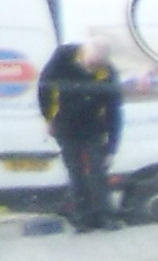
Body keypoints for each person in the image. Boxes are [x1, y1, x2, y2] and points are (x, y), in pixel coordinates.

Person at [37, 42, 122, 233]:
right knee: (75, 172)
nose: (91, 69)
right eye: (89, 64)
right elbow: (44, 87)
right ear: (84, 53)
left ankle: (106, 217)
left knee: (97, 171)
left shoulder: (108, 73)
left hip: (93, 126)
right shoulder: (63, 57)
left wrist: (112, 147)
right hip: (65, 124)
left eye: (96, 66)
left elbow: (114, 112)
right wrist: (48, 118)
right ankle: (82, 219)